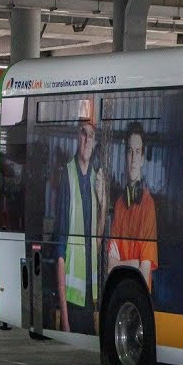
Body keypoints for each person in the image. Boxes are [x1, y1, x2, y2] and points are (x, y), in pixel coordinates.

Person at [52, 111, 107, 333]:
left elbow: (98, 242)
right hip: (72, 300)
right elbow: (60, 251)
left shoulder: (96, 178)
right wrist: (64, 320)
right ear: (77, 137)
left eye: (91, 135)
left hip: (89, 295)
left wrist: (102, 206)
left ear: (94, 143)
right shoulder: (67, 175)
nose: (86, 139)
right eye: (83, 133)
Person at [109, 123, 159, 290]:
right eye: (130, 151)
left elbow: (144, 270)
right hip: (120, 290)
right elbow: (109, 265)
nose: (133, 158)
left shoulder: (148, 205)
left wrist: (121, 264)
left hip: (137, 294)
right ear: (125, 156)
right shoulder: (119, 205)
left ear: (143, 159)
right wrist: (133, 263)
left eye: (137, 152)